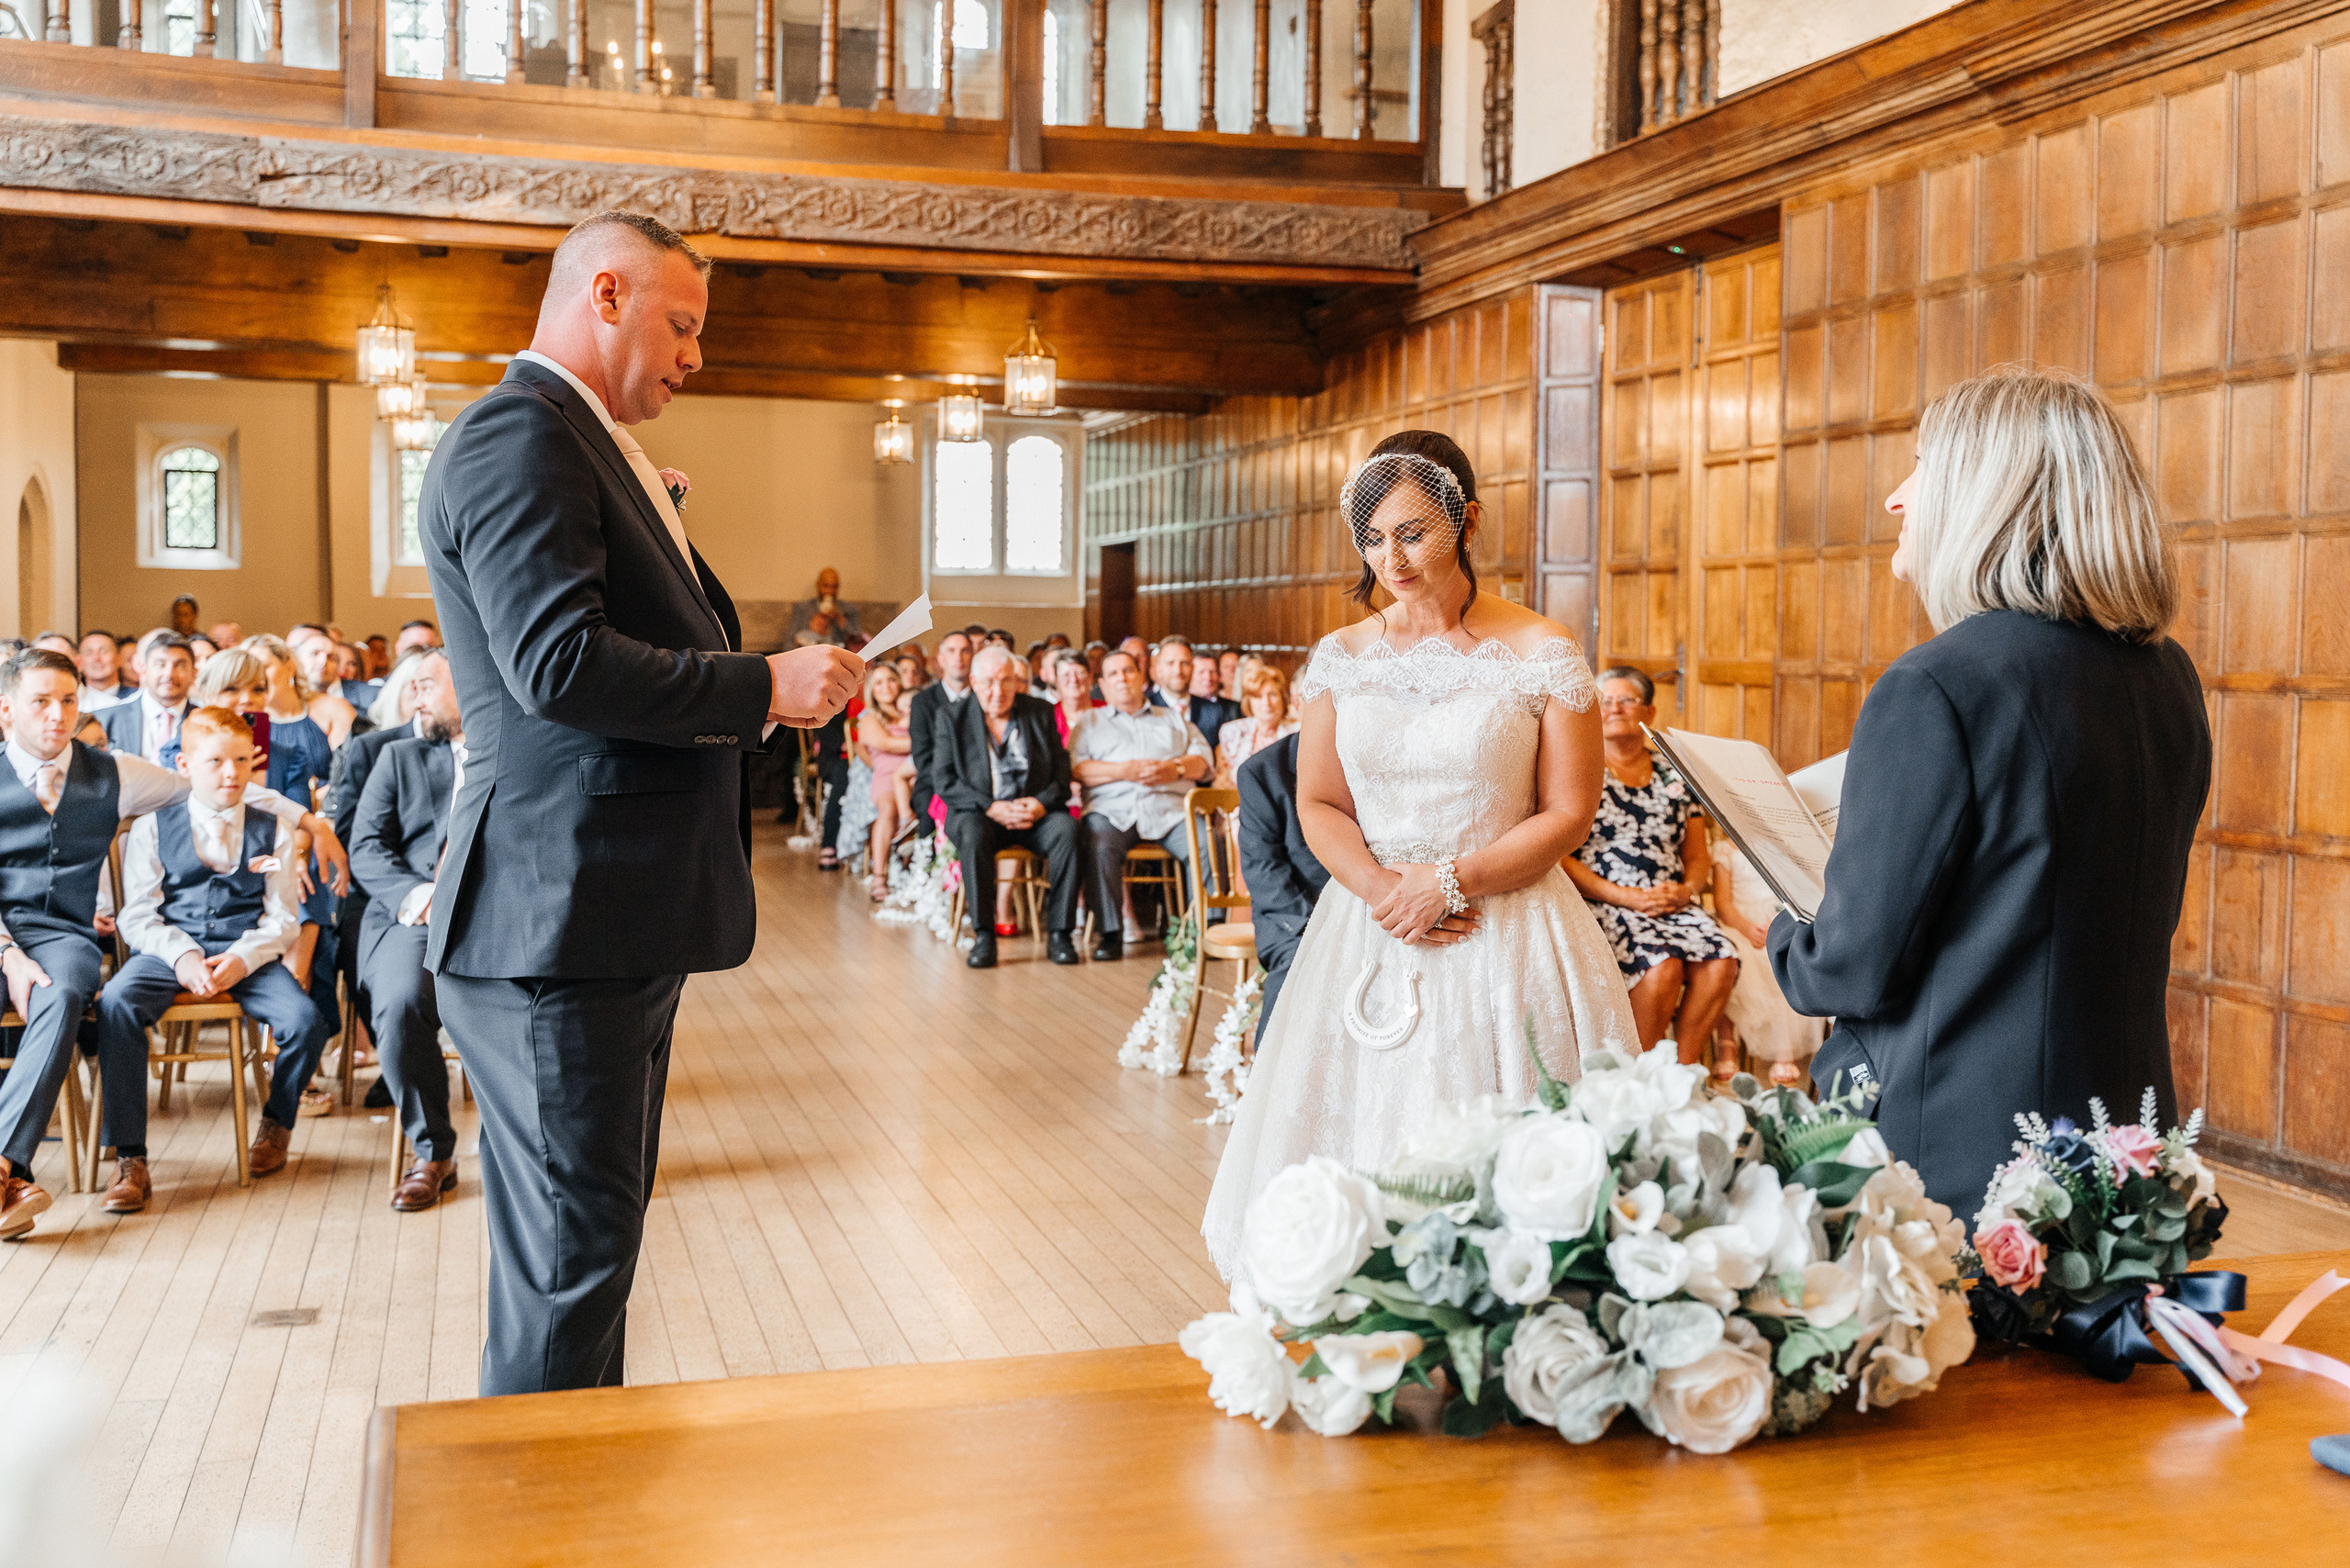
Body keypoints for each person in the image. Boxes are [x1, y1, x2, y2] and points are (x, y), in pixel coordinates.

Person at [419, 207, 859, 1397]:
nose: (695, 355)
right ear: (604, 297)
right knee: (571, 1263)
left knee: (590, 1253)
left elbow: (620, 629)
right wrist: (768, 682)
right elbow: (559, 668)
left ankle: (572, 1497)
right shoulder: (521, 435)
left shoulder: (584, 443)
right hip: (556, 919)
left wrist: (656, 522)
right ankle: (536, 1520)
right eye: (682, 324)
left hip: (605, 917)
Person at [1201, 431, 1640, 1280]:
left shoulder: (1542, 650)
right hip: (1371, 923)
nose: (1389, 557)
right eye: (1371, 538)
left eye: (1411, 532)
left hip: (1506, 923)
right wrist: (1383, 891)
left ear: (1465, 518)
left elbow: (1570, 811)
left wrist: (1450, 880)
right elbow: (1320, 802)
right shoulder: (1343, 656)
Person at [1771, 367, 2210, 1215]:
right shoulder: (2166, 676)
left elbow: (1850, 969)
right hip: (2121, 1141)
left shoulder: (1937, 686)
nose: (1896, 499)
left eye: (1921, 467)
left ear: (1989, 494)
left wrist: (1787, 919)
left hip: (1961, 1157)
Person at [0, 655, 338, 1236]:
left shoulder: (114, 771)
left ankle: (14, 1165)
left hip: (64, 936)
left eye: (69, 701)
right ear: (6, 710)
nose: (58, 715)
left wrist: (313, 822)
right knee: (99, 997)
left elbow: (216, 784)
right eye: (40, 701)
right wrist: (8, 953)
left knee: (61, 993)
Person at [95, 706, 334, 1182]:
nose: (231, 773)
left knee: (306, 1022)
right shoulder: (152, 827)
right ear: (185, 766)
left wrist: (243, 959)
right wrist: (183, 957)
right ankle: (130, 1156)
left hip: (247, 951)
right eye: (216, 762)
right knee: (117, 1002)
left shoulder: (273, 831)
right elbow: (137, 913)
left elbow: (283, 916)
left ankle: (277, 1124)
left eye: (243, 761)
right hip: (169, 950)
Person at [1561, 667, 1740, 1058]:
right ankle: (1641, 1075)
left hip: (1669, 900)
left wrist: (1687, 891)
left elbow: (1696, 855)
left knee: (1722, 958)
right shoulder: (1579, 769)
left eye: (1625, 700)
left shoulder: (1674, 773)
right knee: (1664, 966)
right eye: (1604, 701)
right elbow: (1561, 858)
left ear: (1650, 712)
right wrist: (1625, 897)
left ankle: (1686, 1073)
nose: (1613, 708)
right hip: (1602, 900)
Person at [350, 666, 465, 1212]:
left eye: (428, 684)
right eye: (413, 685)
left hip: (500, 915)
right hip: (413, 915)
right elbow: (366, 847)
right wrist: (420, 898)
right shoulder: (399, 759)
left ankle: (551, 1157)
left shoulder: (517, 754)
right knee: (398, 1006)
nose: (413, 695)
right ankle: (433, 1151)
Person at [933, 646, 1080, 969]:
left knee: (1067, 830)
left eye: (1005, 682)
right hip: (979, 813)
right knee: (972, 834)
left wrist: (1041, 804)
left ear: (1016, 682)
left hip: (1033, 813)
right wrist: (991, 806)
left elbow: (1061, 771)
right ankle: (985, 935)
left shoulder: (1039, 711)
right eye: (988, 683)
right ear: (973, 681)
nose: (997, 692)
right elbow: (944, 780)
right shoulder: (951, 717)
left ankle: (1061, 935)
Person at [1070, 648, 1210, 959]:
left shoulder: (1172, 719)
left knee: (1206, 840)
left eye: (1128, 671)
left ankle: (1201, 932)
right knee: (1098, 843)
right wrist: (1122, 771)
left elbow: (1203, 762)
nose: (1122, 678)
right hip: (1112, 810)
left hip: (1170, 809)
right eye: (1113, 673)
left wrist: (1171, 769)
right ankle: (1110, 933)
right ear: (1102, 685)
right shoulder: (1089, 722)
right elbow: (1077, 768)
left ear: (1142, 678)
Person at [1235, 733, 1327, 1048]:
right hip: (1294, 913)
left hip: (1371, 909)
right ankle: (1268, 1090)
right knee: (1299, 961)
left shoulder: (1369, 758)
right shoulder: (1261, 772)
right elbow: (1263, 869)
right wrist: (1317, 926)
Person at [1711, 842, 1825, 1084]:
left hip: (1775, 919)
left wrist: (1778, 923)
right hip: (1739, 925)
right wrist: (1747, 929)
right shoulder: (1724, 850)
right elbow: (1723, 903)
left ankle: (1784, 1049)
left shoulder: (1778, 843)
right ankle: (1727, 1045)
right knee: (1731, 957)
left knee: (1780, 956)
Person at [855, 662, 914, 900]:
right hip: (886, 777)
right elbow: (886, 744)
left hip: (916, 775)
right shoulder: (870, 718)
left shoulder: (912, 709)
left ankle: (916, 870)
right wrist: (925, 744)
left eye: (891, 679)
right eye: (878, 682)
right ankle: (879, 876)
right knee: (888, 809)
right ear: (872, 689)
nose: (886, 686)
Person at [906, 630, 973, 830]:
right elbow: (922, 758)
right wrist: (954, 786)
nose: (958, 658)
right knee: (930, 813)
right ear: (941, 660)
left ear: (973, 657)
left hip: (978, 784)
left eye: (965, 651)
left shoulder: (984, 699)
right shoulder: (922, 702)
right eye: (951, 651)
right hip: (934, 784)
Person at [98, 635, 194, 763]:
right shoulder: (106, 720)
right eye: (160, 664)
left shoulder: (206, 720)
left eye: (180, 666)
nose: (169, 674)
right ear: (144, 668)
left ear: (194, 672)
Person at [1213, 663, 1299, 788]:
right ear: (1249, 702)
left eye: (1272, 695)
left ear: (1283, 698)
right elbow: (1223, 781)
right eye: (1258, 697)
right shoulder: (1232, 732)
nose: (1266, 703)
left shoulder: (1296, 732)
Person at [1146, 637, 1233, 753]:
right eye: (1170, 663)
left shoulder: (1215, 712)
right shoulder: (1145, 707)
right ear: (1159, 669)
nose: (1178, 671)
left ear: (1192, 667)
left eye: (1184, 663)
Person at [78, 630, 136, 710]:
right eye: (89, 652)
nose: (96, 658)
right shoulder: (74, 701)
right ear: (79, 662)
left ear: (119, 659)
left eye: (103, 651)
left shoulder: (135, 698)